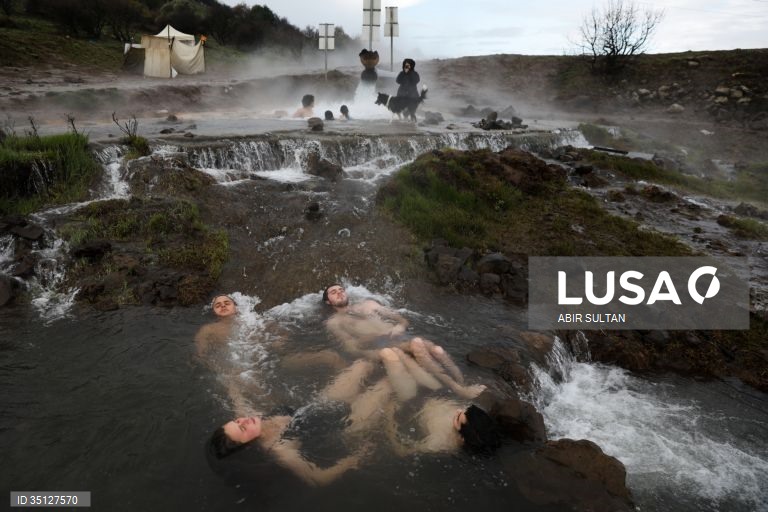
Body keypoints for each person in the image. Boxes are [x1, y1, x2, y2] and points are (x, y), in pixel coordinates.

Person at [208, 359, 392, 485]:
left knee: (362, 365)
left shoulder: (254, 419)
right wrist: (354, 459)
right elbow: (319, 478)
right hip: (348, 423)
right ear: (248, 445)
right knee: (386, 385)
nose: (243, 420)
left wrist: (229, 380)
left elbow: (236, 398)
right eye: (241, 427)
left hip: (322, 406)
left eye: (236, 420)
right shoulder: (281, 449)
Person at [323, 284, 483, 400]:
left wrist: (400, 326)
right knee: (417, 343)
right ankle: (458, 389)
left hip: (400, 337)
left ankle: (462, 382)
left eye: (341, 290)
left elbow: (402, 319)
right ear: (328, 302)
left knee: (438, 350)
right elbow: (351, 347)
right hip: (382, 345)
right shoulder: (335, 322)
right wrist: (373, 338)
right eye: (333, 292)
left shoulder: (368, 304)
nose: (339, 293)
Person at [385, 398, 501, 455]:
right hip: (427, 398)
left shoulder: (438, 442)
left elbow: (401, 450)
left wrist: (389, 418)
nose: (458, 410)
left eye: (458, 416)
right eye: (464, 411)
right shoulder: (477, 422)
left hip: (414, 402)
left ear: (462, 438)